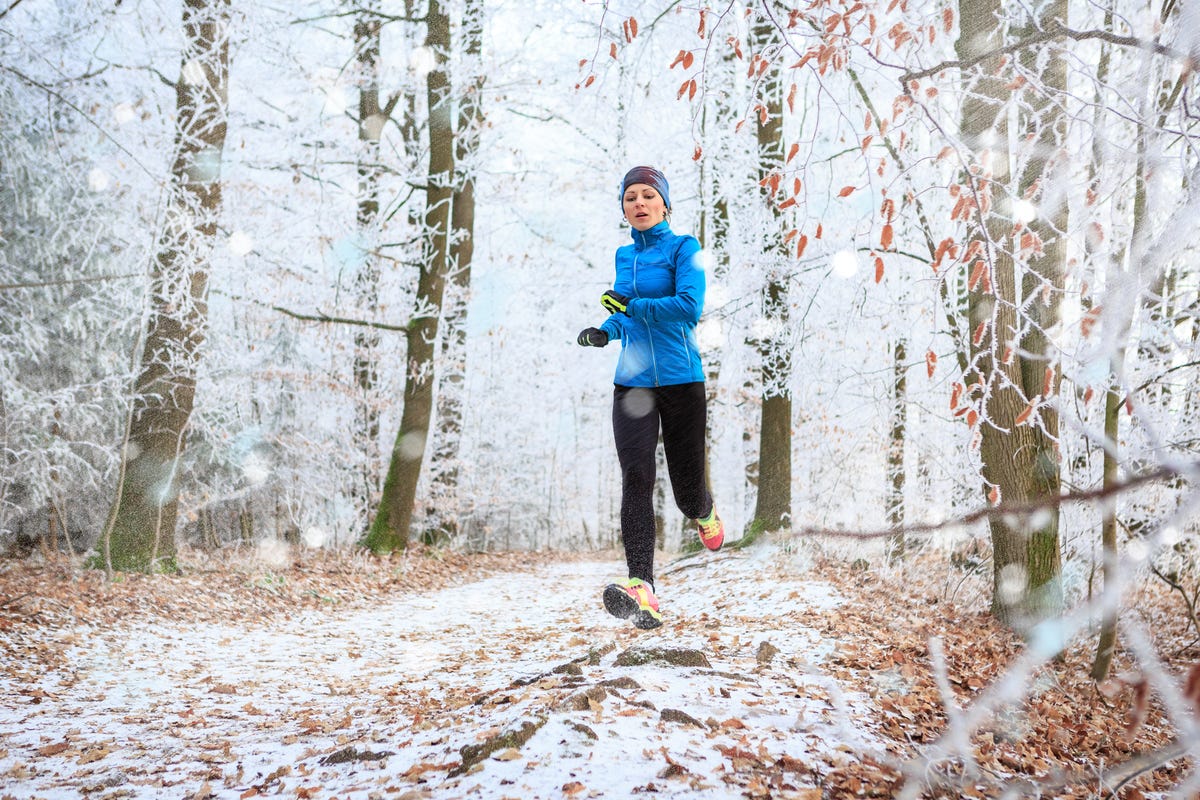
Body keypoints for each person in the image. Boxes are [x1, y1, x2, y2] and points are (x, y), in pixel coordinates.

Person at [577, 165, 724, 630]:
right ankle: (643, 587)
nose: (638, 204)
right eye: (630, 198)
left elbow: (688, 308)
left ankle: (703, 509)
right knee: (636, 476)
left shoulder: (686, 248)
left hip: (682, 380)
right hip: (633, 383)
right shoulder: (624, 256)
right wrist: (606, 331)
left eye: (647, 196)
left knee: (684, 489)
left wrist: (631, 308)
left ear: (664, 203)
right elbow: (623, 313)